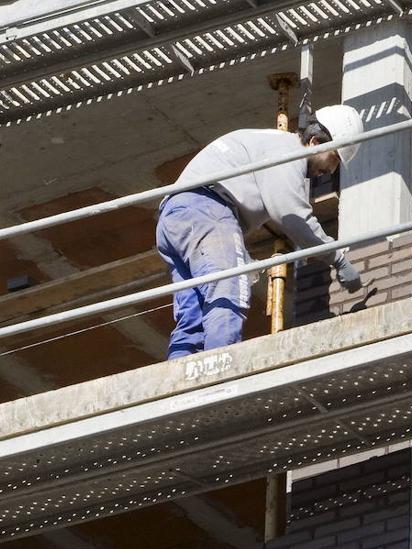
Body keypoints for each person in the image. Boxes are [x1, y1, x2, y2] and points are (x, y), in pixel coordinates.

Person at [156, 104, 367, 360]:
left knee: (194, 312)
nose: (331, 171)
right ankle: (218, 377)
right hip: (208, 209)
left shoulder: (269, 143)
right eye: (333, 158)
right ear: (314, 142)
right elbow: (292, 214)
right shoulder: (288, 153)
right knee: (228, 293)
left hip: (176, 215)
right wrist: (338, 258)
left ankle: (180, 383)